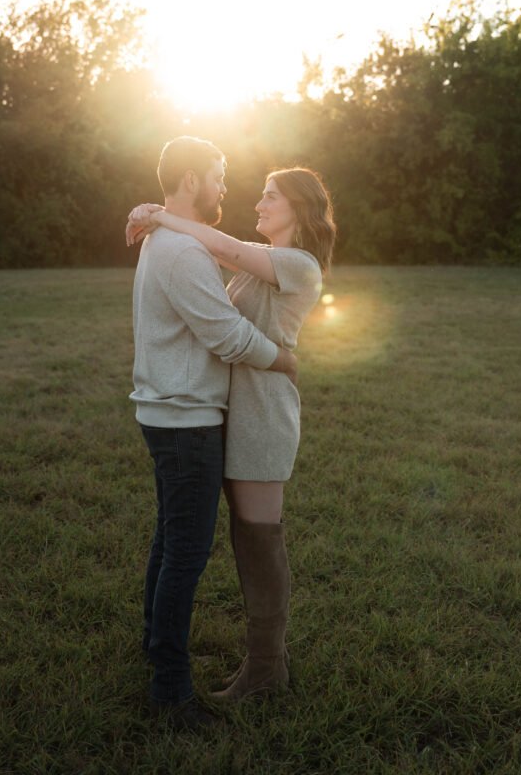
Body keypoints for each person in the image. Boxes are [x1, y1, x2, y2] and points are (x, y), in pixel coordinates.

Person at [127, 165, 336, 702]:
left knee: (259, 541)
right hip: (231, 411)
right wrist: (151, 213)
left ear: (300, 208)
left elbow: (217, 243)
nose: (259, 203)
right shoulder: (258, 263)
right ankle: (264, 665)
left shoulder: (300, 264)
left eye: (272, 197)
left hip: (264, 414)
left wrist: (160, 214)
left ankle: (266, 670)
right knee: (244, 539)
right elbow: (208, 246)